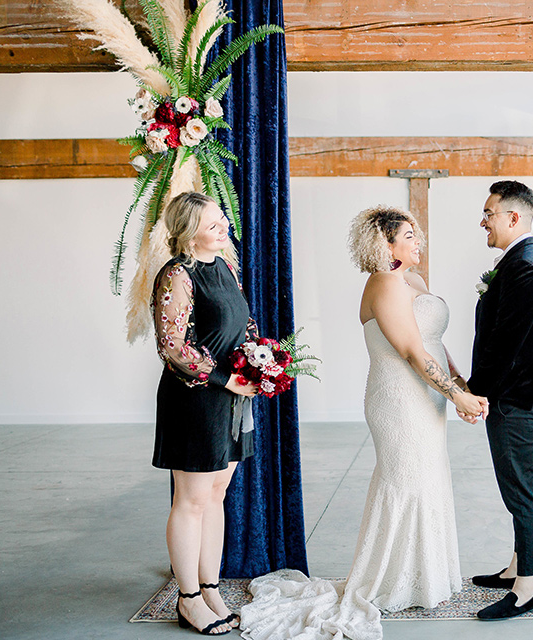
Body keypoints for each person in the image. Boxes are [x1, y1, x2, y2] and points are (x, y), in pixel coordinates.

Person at [239, 205, 488, 640]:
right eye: (408, 235)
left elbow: (433, 341)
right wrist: (457, 394)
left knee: (429, 477)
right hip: (398, 398)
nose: (418, 241)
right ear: (385, 245)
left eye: (416, 233)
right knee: (406, 480)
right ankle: (387, 581)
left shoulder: (414, 281)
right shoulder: (385, 285)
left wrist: (460, 381)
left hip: (429, 394)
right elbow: (411, 350)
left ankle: (424, 577)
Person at [151, 192, 259, 636]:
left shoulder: (225, 267)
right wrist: (224, 380)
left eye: (222, 221)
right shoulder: (177, 274)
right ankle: (188, 598)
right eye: (213, 224)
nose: (224, 228)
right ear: (186, 230)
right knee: (191, 501)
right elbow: (172, 346)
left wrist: (258, 363)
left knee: (215, 496)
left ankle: (210, 588)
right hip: (195, 401)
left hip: (233, 398)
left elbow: (243, 324)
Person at [464, 180, 533, 621]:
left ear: (513, 217)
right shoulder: (519, 261)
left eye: (489, 212)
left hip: (519, 395)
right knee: (518, 486)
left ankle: (527, 589)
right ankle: (516, 567)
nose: (483, 220)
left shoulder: (527, 267)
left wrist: (472, 390)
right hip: (515, 391)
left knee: (522, 491)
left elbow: (507, 345)